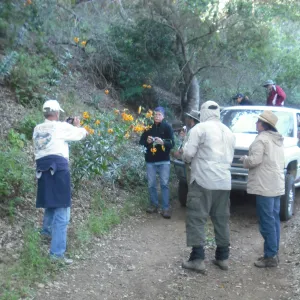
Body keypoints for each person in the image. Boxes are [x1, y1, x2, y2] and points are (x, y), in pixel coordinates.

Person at [181, 101, 235, 273]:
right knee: (221, 218)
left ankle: (197, 258)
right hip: (224, 181)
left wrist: (184, 155)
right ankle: (222, 257)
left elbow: (189, 154)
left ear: (203, 112)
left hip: (203, 179)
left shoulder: (199, 129)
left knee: (197, 217)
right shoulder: (228, 131)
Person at [33, 99, 88, 264]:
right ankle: (56, 255)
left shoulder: (37, 128)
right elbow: (82, 134)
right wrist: (77, 126)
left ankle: (46, 233)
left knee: (50, 203)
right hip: (59, 169)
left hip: (42, 169)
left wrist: (66, 124)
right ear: (56, 113)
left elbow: (52, 135)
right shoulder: (61, 127)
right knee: (62, 210)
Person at [240, 110, 284, 268]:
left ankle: (270, 256)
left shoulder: (261, 139)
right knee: (274, 220)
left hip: (264, 186)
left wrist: (245, 159)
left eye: (258, 121)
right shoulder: (277, 140)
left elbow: (255, 160)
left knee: (266, 222)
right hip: (276, 185)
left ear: (263, 125)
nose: (255, 123)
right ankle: (274, 252)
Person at [139, 106, 175, 219]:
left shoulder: (167, 127)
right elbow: (141, 142)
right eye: (155, 114)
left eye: (159, 114)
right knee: (151, 184)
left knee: (164, 184)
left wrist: (163, 142)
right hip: (150, 160)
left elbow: (172, 143)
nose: (157, 116)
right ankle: (154, 205)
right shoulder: (148, 127)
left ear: (163, 116)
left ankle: (165, 208)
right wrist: (147, 141)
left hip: (164, 160)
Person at [173, 110, 200, 183]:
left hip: (191, 165)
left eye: (188, 117)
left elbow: (188, 148)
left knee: (190, 185)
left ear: (191, 119)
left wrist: (179, 152)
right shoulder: (194, 130)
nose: (186, 119)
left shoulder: (193, 131)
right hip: (194, 164)